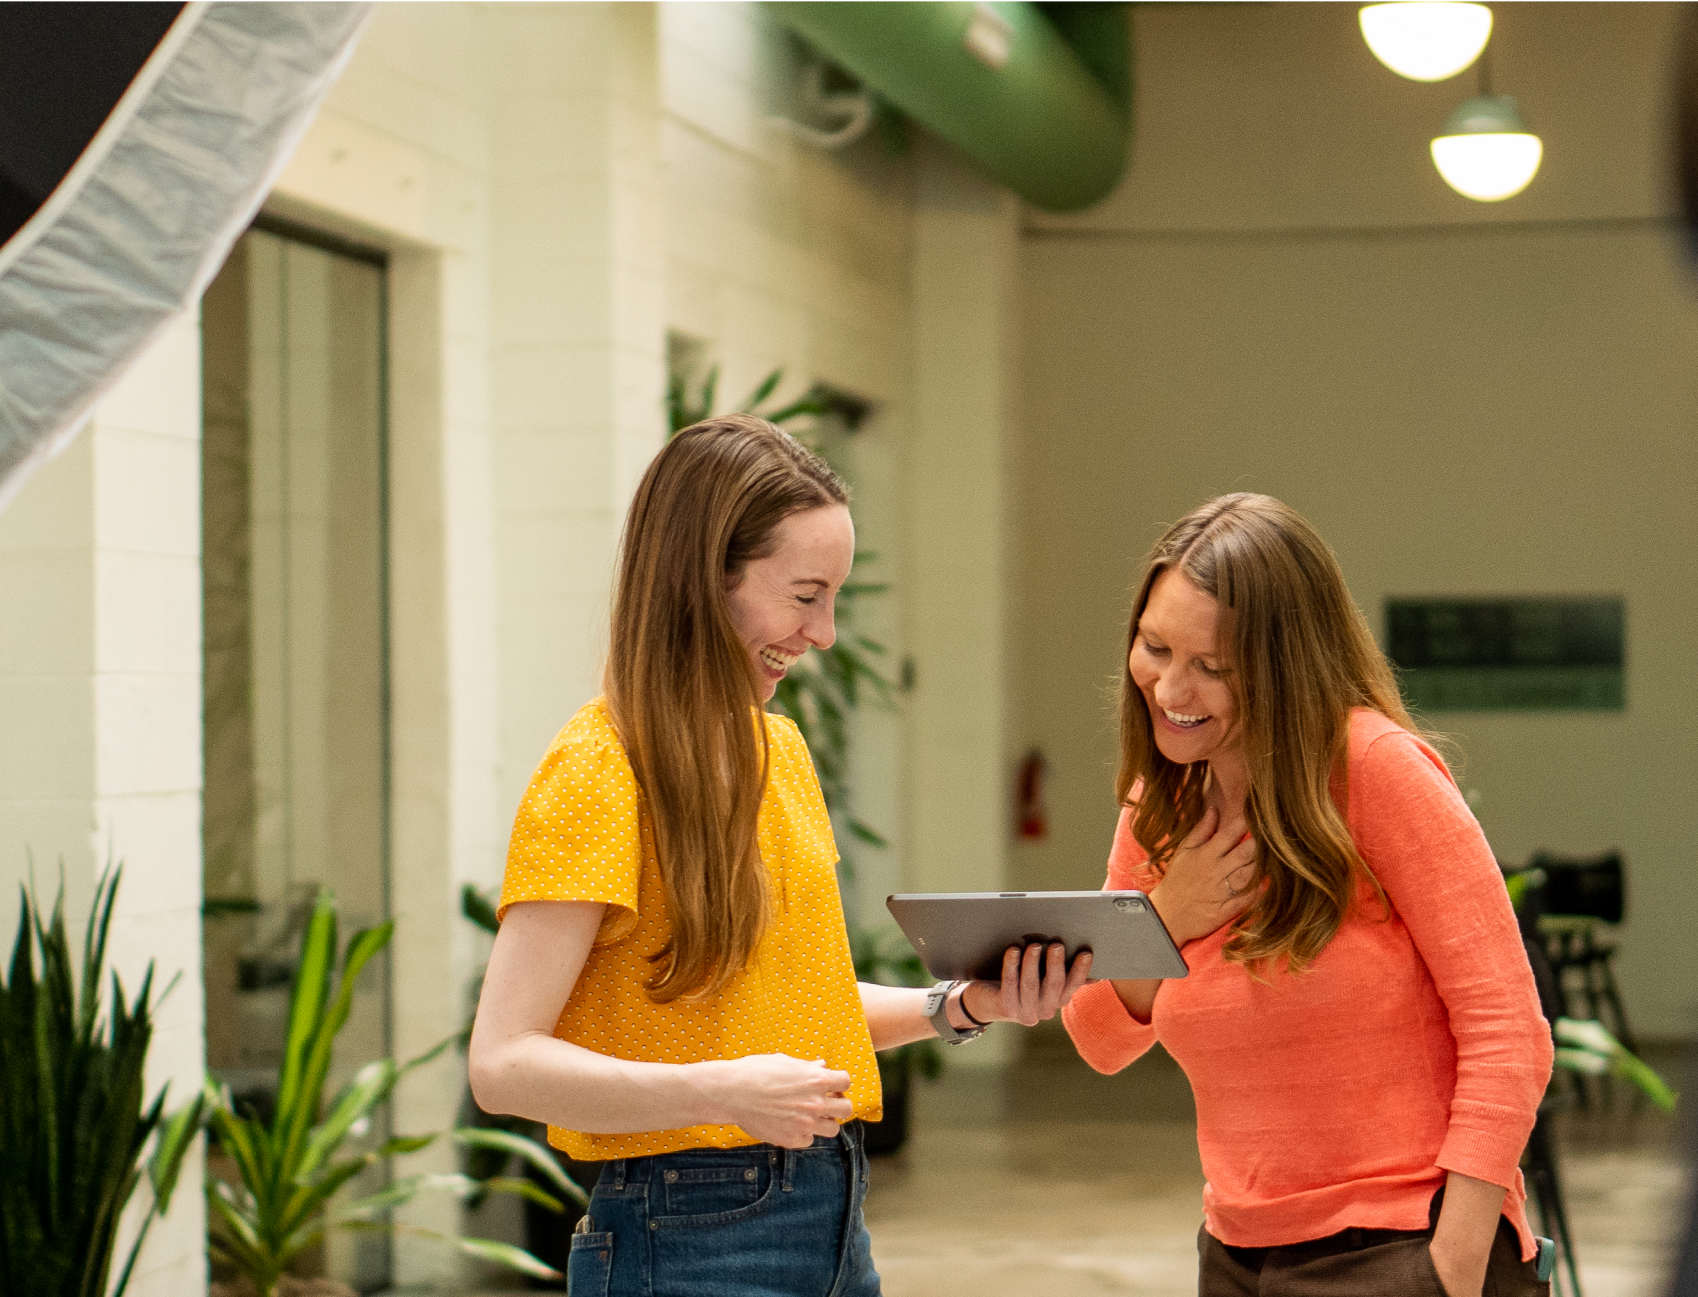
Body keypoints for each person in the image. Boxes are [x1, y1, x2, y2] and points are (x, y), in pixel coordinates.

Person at [469, 413, 1089, 1297]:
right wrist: (722, 1093)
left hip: (830, 1212)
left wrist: (961, 1003)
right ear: (701, 579)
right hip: (684, 1228)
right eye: (805, 596)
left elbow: (803, 1012)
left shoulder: (779, 753)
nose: (825, 632)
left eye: (834, 598)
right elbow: (502, 1063)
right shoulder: (597, 772)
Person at [1062, 493, 1555, 1297]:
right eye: (1154, 646)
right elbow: (1098, 1037)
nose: (1169, 687)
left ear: (1282, 666)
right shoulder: (1161, 807)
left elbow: (1511, 1035)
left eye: (1212, 667)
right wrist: (1167, 918)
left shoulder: (1376, 770)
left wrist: (1454, 1266)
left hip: (1401, 1241)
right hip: (1237, 1248)